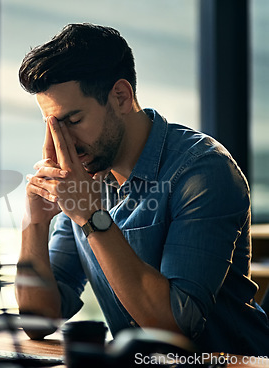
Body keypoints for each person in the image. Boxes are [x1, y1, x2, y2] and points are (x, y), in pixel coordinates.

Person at [15, 23, 269, 355]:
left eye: (73, 121)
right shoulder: (85, 176)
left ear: (120, 96)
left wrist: (92, 216)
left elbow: (176, 328)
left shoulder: (203, 171)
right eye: (52, 125)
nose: (63, 143)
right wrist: (35, 222)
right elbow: (40, 320)